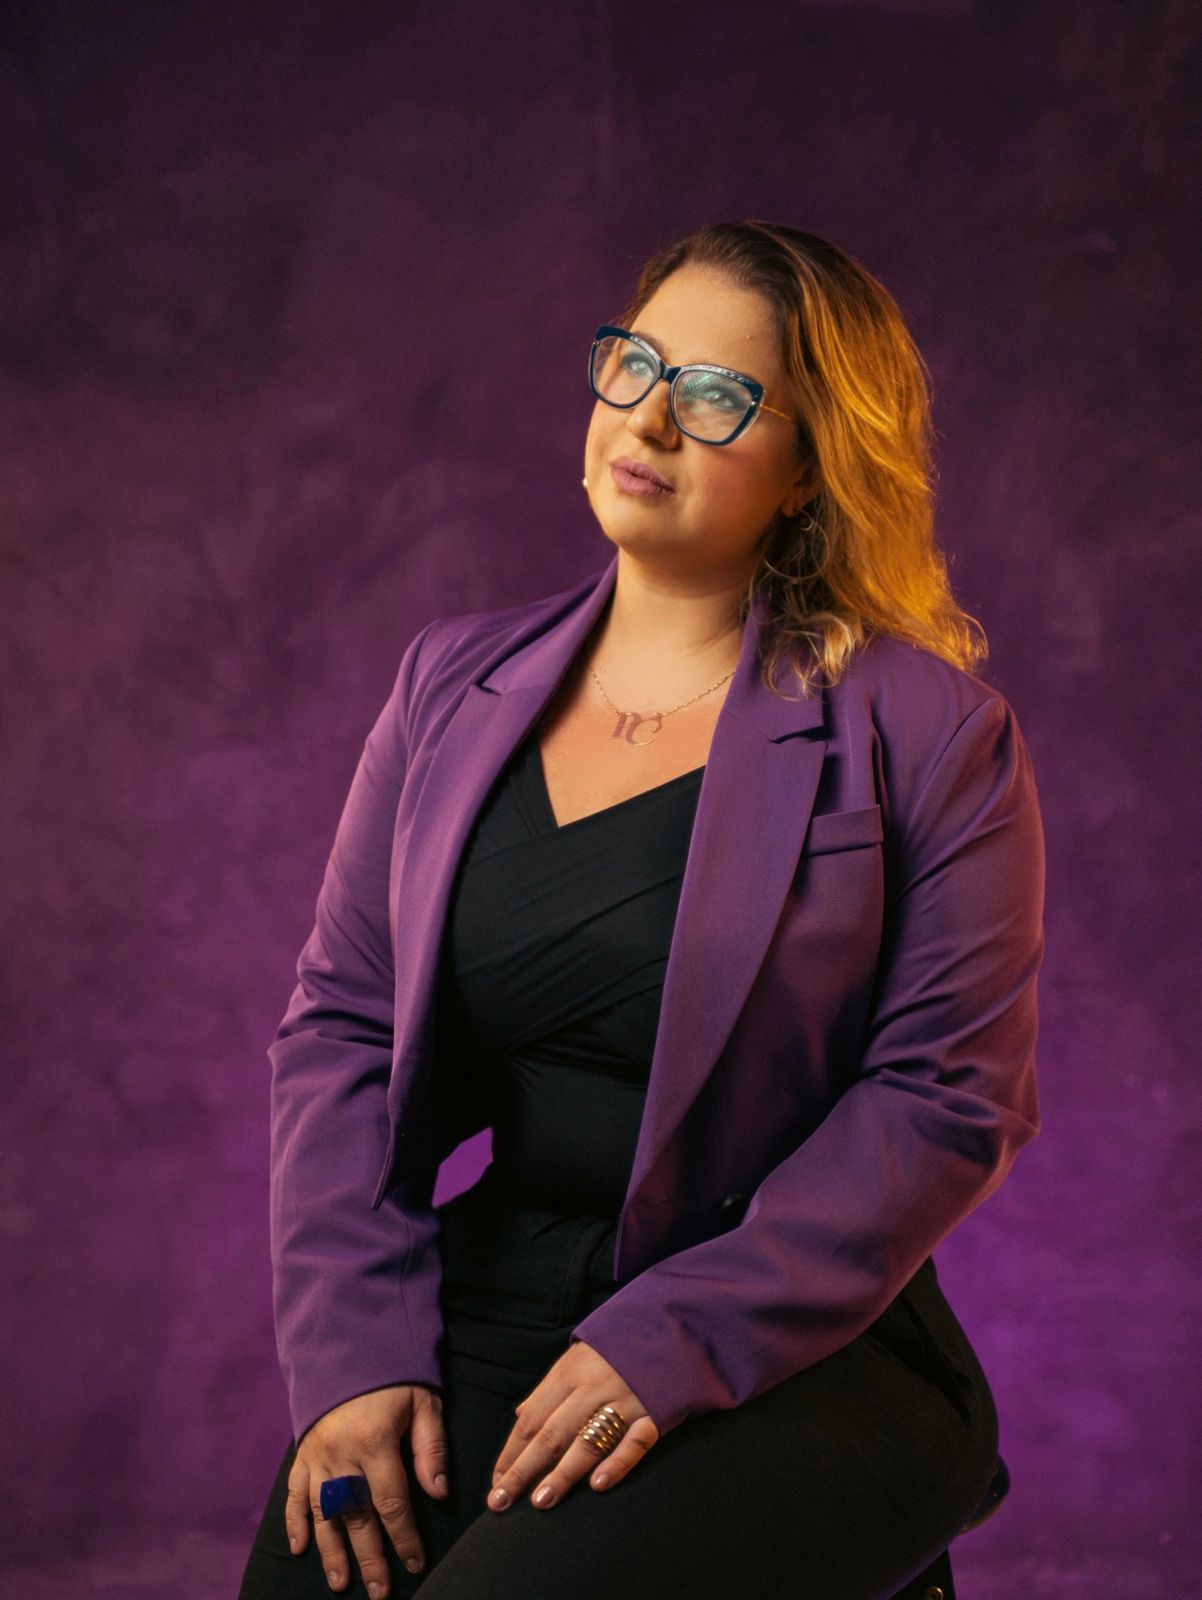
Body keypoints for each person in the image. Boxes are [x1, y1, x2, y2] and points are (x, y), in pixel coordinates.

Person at [238, 219, 1045, 1600]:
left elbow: (946, 1098)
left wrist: (672, 1338)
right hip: (498, 1293)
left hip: (792, 1333)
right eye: (636, 364)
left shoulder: (932, 732)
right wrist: (352, 1353)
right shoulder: (449, 684)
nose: (651, 419)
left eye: (718, 395)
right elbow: (344, 1028)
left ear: (809, 469)